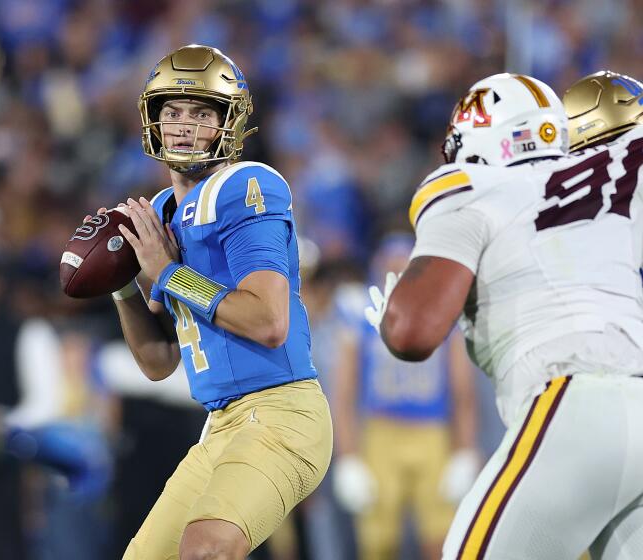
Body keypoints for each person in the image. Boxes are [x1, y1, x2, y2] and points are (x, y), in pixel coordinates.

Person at [365, 72, 643, 559]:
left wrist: (397, 310)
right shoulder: (612, 179)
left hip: (572, 401)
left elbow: (414, 332)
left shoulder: (473, 184)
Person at [98, 44, 333, 559]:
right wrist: (121, 286)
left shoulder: (247, 184)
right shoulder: (161, 209)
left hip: (281, 413)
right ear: (152, 121)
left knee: (206, 550)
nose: (184, 125)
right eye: (172, 112)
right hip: (220, 424)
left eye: (202, 112)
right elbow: (158, 363)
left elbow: (270, 321)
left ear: (228, 122)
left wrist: (170, 274)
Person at [332, 233, 480, 560]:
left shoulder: (441, 306)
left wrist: (465, 451)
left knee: (441, 543)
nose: (397, 276)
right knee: (378, 545)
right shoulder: (361, 308)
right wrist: (348, 457)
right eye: (391, 267)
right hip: (381, 431)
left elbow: (462, 388)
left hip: (431, 431)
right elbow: (343, 391)